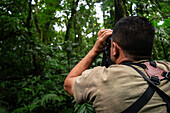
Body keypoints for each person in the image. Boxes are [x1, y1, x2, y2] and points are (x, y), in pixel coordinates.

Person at [64, 16, 170, 113]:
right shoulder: (167, 68)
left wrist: (95, 50)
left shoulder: (99, 79)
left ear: (115, 49)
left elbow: (68, 84)